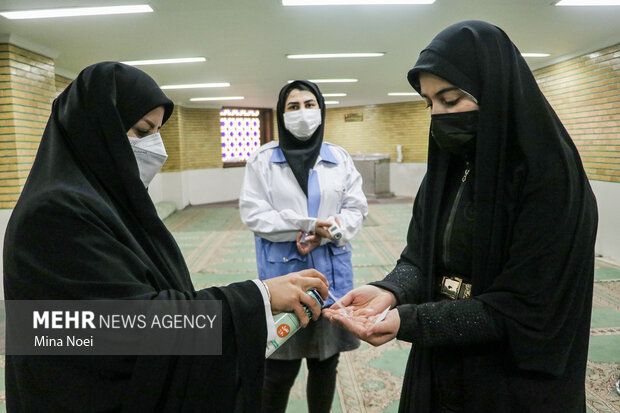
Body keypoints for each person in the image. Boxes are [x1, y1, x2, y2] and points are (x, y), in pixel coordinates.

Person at [3, 62, 329, 412]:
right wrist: (256, 299)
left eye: (156, 132)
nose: (155, 149)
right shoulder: (56, 213)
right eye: (142, 131)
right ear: (95, 128)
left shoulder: (104, 202)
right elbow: (109, 327)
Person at [324, 20, 598, 413]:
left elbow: (523, 310)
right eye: (429, 103)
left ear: (494, 92)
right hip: (443, 361)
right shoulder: (449, 170)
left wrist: (410, 322)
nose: (438, 115)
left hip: (512, 379)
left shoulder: (550, 181)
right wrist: (392, 291)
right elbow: (420, 257)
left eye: (450, 100)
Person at [239, 80, 368, 413]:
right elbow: (254, 214)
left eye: (310, 105)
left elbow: (356, 209)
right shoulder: (263, 159)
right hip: (285, 278)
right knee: (279, 370)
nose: (303, 113)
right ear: (281, 114)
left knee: (326, 365)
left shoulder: (338, 157)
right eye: (293, 106)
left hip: (332, 279)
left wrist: (330, 230)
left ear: (321, 110)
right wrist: (306, 224)